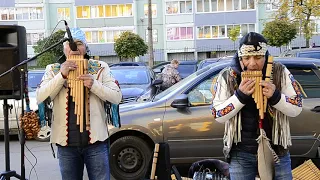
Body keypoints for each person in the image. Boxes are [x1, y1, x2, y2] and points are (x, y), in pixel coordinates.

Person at [210, 32, 302, 180]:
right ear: (240, 58)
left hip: (277, 150)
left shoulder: (280, 71)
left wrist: (276, 97)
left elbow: (297, 107)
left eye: (258, 58)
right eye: (247, 58)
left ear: (265, 56)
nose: (252, 64)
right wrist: (239, 96)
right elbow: (217, 114)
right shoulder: (227, 76)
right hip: (241, 153)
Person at [36, 28, 122, 180]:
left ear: (85, 47)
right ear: (64, 48)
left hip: (96, 142)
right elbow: (40, 97)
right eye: (70, 44)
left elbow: (116, 97)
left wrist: (94, 85)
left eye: (79, 43)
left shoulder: (100, 67)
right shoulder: (53, 69)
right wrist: (61, 76)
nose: (74, 48)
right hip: (66, 145)